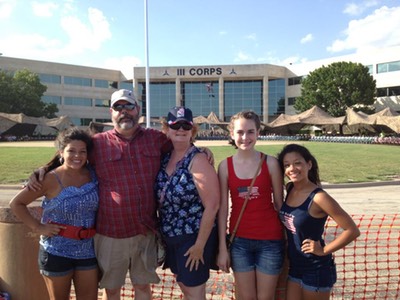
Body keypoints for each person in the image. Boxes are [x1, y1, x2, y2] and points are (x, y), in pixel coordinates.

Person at [28, 89, 213, 300]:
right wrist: (44, 168)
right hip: (110, 233)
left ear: (138, 110)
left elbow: (181, 140)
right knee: (112, 290)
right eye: (118, 107)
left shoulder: (156, 139)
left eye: (129, 106)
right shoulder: (97, 143)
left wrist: (202, 149)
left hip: (145, 230)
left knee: (143, 287)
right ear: (111, 112)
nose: (124, 112)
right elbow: (70, 155)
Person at [10, 127, 99, 300]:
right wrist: (38, 227)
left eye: (82, 151)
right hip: (56, 251)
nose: (77, 156)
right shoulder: (49, 179)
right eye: (71, 151)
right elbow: (17, 204)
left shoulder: (95, 175)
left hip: (88, 250)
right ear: (61, 152)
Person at [277, 144, 360, 300]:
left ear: (309, 164)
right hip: (295, 267)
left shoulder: (319, 197)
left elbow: (352, 230)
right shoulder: (290, 189)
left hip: (316, 269)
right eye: (287, 165)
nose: (292, 168)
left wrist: (323, 250)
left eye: (297, 163)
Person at [217, 110, 285, 300]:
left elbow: (280, 205)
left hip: (271, 241)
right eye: (239, 132)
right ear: (231, 134)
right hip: (239, 243)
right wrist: (223, 248)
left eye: (250, 132)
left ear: (258, 133)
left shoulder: (270, 163)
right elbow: (222, 210)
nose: (245, 137)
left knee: (266, 298)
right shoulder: (225, 166)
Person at [154, 106, 220, 300]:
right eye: (175, 125)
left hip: (193, 238)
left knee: (194, 291)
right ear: (167, 129)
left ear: (193, 131)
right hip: (171, 236)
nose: (181, 129)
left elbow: (212, 205)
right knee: (184, 285)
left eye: (186, 125)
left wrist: (200, 245)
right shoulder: (165, 157)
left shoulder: (198, 159)